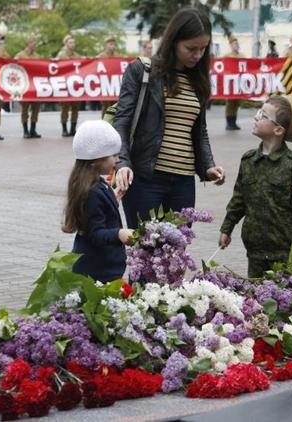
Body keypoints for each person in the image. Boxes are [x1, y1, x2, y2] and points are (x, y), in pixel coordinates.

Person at [113, 7, 226, 229]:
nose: (197, 55)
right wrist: (123, 163)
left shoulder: (198, 80)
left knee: (176, 256)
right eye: (191, 48)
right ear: (173, 41)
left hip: (183, 181)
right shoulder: (142, 71)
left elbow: (198, 131)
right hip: (146, 178)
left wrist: (208, 167)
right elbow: (122, 121)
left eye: (203, 49)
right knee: (146, 253)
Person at [218, 95, 292, 278]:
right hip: (255, 249)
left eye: (262, 115)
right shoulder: (249, 160)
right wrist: (226, 228)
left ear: (278, 130)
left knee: (285, 298)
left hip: (284, 249)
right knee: (257, 299)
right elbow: (239, 199)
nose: (256, 117)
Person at [63, 120, 134, 282]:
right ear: (97, 159)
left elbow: (96, 214)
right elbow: (95, 233)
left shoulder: (95, 184)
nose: (117, 160)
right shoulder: (93, 191)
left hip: (101, 268)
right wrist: (119, 234)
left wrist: (112, 200)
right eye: (114, 155)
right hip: (97, 271)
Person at [14, 37, 42, 138]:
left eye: (35, 43)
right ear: (28, 43)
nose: (35, 45)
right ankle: (25, 130)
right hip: (24, 86)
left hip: (35, 86)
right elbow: (14, 66)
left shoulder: (38, 56)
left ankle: (33, 129)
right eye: (33, 43)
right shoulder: (20, 55)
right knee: (25, 109)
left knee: (36, 108)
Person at [57, 35, 82, 137]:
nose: (72, 45)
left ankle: (73, 129)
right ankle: (64, 129)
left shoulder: (77, 56)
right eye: (70, 42)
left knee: (76, 108)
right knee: (65, 108)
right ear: (65, 44)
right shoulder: (61, 55)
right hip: (66, 85)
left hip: (76, 86)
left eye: (73, 42)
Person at [224, 36, 243, 130]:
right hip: (230, 82)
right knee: (230, 103)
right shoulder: (227, 56)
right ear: (231, 45)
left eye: (237, 43)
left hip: (239, 82)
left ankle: (234, 122)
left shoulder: (241, 56)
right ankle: (229, 122)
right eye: (234, 44)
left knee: (236, 103)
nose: (236, 45)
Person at [97, 36, 118, 118]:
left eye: (114, 44)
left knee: (114, 107)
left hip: (114, 85)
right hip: (104, 85)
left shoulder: (118, 57)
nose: (112, 46)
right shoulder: (100, 57)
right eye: (110, 44)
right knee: (106, 107)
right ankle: (103, 123)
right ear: (106, 45)